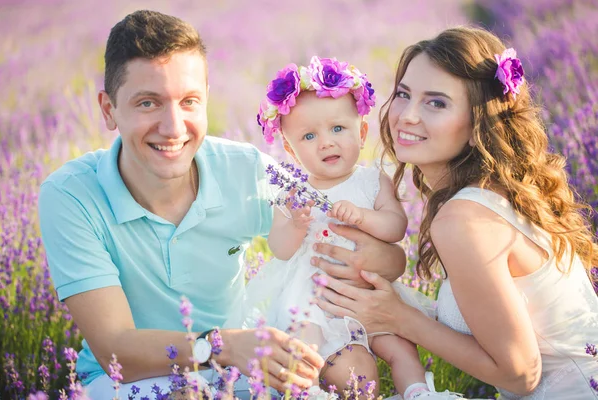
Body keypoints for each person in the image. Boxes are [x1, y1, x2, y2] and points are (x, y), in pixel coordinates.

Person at [38, 10, 405, 399]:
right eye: (148, 103)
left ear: (207, 99)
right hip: (128, 383)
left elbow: (352, 236)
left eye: (189, 101)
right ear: (109, 109)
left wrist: (383, 266)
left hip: (237, 374)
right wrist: (223, 346)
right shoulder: (72, 194)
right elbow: (116, 349)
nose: (174, 127)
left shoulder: (245, 170)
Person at [313, 26, 598, 399]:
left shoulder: (464, 218)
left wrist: (399, 318)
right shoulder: (497, 192)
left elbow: (520, 375)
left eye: (436, 103)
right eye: (403, 94)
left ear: (478, 120)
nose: (407, 116)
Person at [226, 56, 449, 399]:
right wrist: (295, 223)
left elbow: (395, 227)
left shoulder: (373, 180)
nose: (326, 142)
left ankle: (418, 392)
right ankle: (309, 390)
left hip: (369, 294)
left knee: (399, 346)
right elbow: (281, 249)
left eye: (338, 129)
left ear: (361, 133)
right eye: (309, 136)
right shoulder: (294, 192)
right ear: (290, 149)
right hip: (314, 296)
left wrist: (363, 217)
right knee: (307, 349)